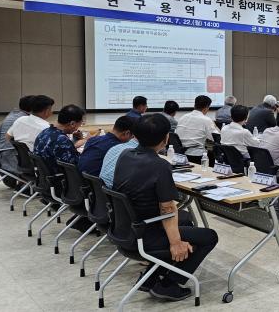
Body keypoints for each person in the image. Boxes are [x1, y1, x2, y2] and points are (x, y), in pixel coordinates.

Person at [112, 114, 218, 302]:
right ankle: (169, 284)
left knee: (185, 221)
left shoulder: (124, 155)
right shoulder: (160, 165)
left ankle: (151, 277)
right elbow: (167, 209)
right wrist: (176, 243)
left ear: (135, 135)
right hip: (145, 234)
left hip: (123, 229)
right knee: (209, 236)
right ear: (166, 138)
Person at [33, 104, 88, 175]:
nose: (78, 128)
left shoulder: (45, 132)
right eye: (80, 124)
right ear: (72, 124)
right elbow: (75, 166)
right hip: (59, 178)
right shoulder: (62, 140)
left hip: (43, 175)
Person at [0, 95, 34, 185]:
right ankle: (23, 182)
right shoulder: (24, 120)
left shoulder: (12, 115)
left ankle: (15, 180)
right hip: (10, 157)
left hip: (0, 154)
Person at [174, 95, 219, 164]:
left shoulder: (183, 117)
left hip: (181, 154)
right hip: (197, 156)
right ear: (206, 108)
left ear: (194, 105)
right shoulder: (206, 120)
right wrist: (215, 126)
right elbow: (216, 137)